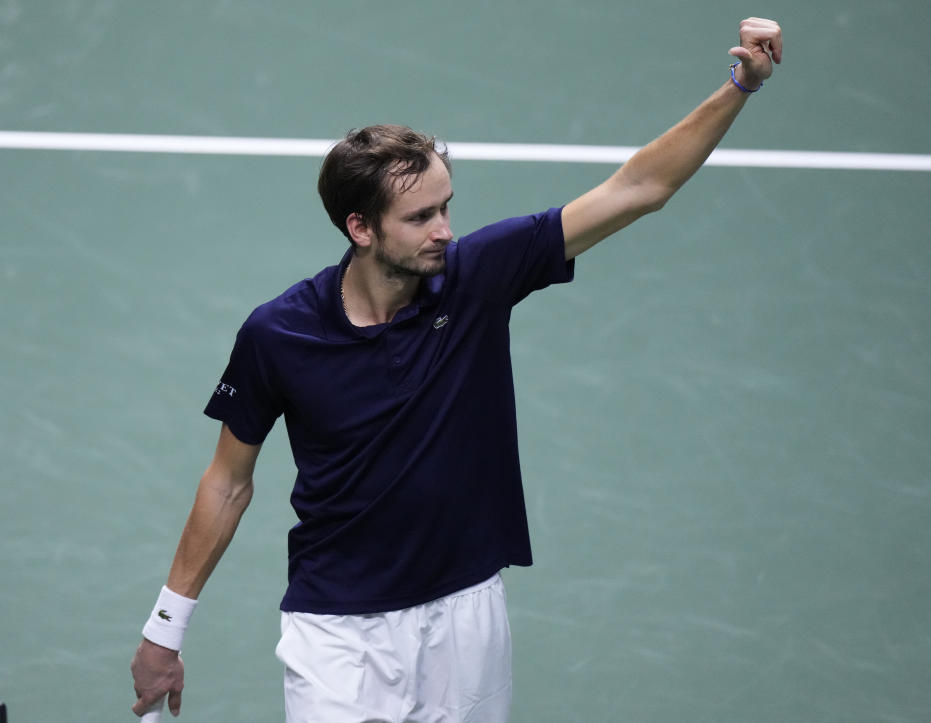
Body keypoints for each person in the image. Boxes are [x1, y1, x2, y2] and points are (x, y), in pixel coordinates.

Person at [131, 17, 783, 722]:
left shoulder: (477, 275)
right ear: (361, 227)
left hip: (465, 611)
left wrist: (739, 86)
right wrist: (166, 628)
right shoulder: (278, 332)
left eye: (447, 207)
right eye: (421, 217)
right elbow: (228, 481)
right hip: (339, 631)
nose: (445, 229)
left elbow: (639, 188)